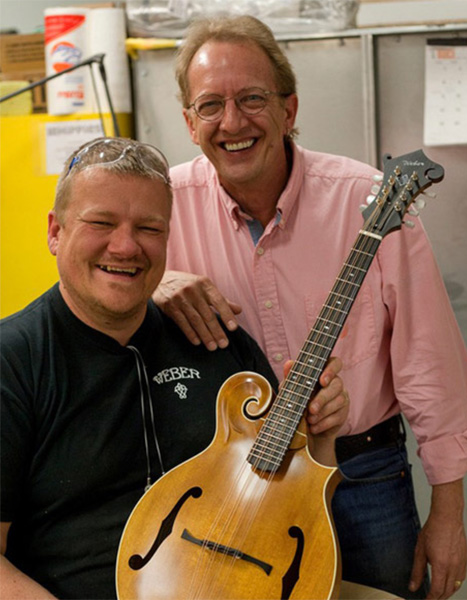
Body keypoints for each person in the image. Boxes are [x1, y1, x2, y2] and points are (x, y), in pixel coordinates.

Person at [151, 15, 467, 600]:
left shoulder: (367, 199)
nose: (232, 122)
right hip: (228, 484)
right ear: (189, 122)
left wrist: (448, 514)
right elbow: (92, 289)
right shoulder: (161, 209)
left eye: (252, 98)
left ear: (290, 108)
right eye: (210, 105)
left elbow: (429, 361)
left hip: (364, 474)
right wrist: (156, 283)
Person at [0, 137, 349, 599]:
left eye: (149, 228)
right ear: (55, 232)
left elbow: (291, 506)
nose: (126, 246)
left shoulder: (214, 338)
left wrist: (321, 434)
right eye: (101, 222)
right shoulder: (13, 360)